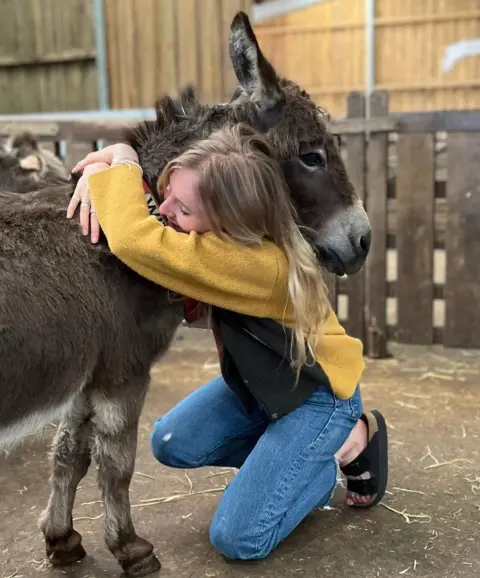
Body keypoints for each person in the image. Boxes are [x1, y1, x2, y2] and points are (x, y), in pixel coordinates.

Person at [68, 124, 388, 561]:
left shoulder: (250, 265)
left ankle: (341, 446)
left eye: (181, 208)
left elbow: (135, 238)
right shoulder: (228, 238)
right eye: (167, 194)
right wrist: (122, 172)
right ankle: (296, 461)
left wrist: (123, 157)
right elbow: (152, 219)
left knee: (239, 539)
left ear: (227, 224)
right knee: (171, 440)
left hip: (318, 395)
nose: (163, 210)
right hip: (268, 384)